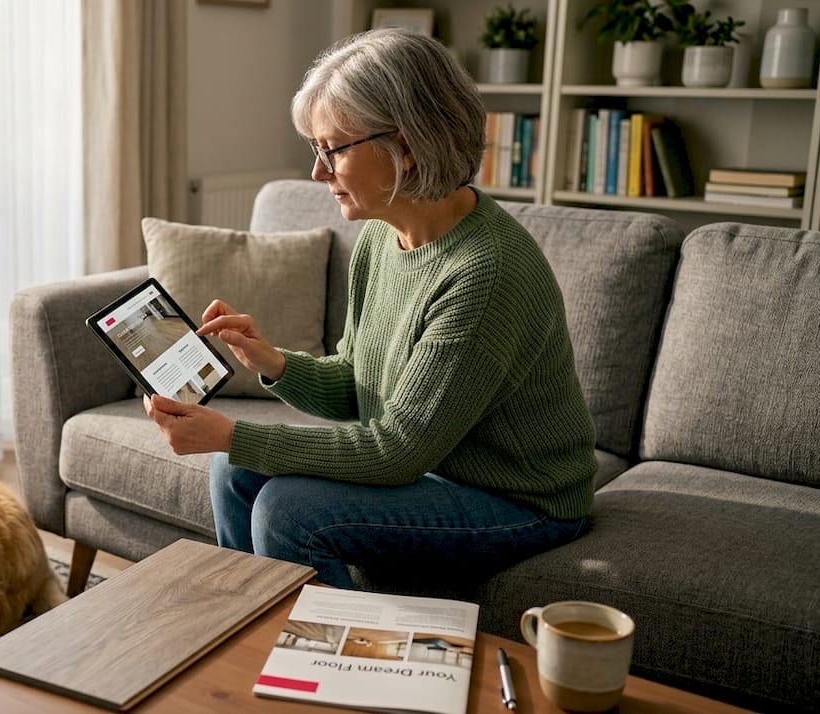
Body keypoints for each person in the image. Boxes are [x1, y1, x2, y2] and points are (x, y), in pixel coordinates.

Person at [143, 28, 596, 589]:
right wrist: (273, 363)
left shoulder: (485, 273)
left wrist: (232, 434)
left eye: (333, 149)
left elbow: (396, 451)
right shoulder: (382, 237)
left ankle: (324, 642)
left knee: (287, 510)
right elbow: (359, 386)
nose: (318, 172)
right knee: (233, 471)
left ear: (407, 146)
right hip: (437, 464)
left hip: (521, 500)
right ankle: (256, 626)